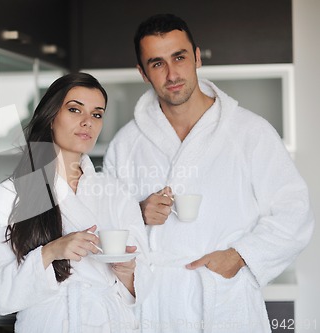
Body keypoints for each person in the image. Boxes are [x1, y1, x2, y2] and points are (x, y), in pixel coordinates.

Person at [103, 14, 315, 333]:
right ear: (143, 73)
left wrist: (240, 256)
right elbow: (106, 228)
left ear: (197, 57)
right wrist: (136, 212)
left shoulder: (250, 132)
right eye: (157, 63)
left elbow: (295, 212)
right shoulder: (126, 144)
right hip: (156, 308)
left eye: (179, 57)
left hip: (224, 301)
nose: (172, 74)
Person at [0, 72, 152, 332]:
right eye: (74, 109)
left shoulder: (116, 193)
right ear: (51, 117)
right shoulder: (11, 195)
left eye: (96, 114)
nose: (87, 122)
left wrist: (127, 272)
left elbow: (147, 281)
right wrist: (51, 252)